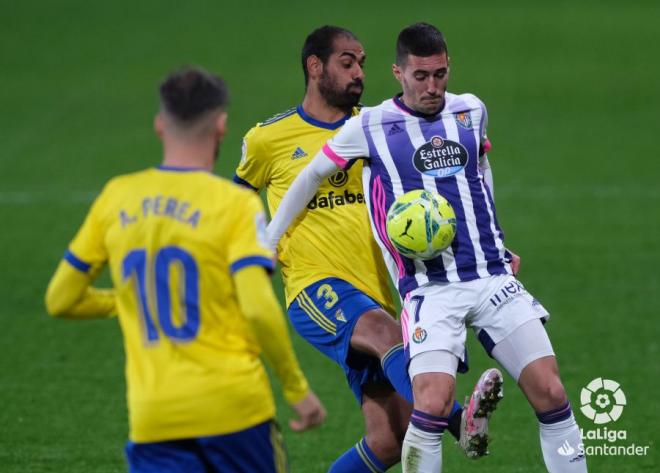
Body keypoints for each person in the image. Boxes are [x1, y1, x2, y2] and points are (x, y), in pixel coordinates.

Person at [266, 23, 588, 473]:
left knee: (552, 393)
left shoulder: (470, 111)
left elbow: (481, 166)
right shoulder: (371, 125)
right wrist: (270, 237)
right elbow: (310, 176)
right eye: (421, 76)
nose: (432, 87)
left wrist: (497, 235)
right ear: (398, 73)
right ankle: (460, 425)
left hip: (490, 276)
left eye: (439, 74)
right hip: (429, 290)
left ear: (448, 67)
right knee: (432, 406)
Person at [234, 26, 502, 472]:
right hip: (315, 287)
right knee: (386, 336)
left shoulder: (379, 127)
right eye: (347, 62)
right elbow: (236, 200)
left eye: (361, 62)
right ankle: (460, 421)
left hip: (379, 290)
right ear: (314, 66)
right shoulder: (268, 139)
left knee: (389, 441)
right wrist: (260, 244)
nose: (359, 72)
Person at [44, 66, 325, 473]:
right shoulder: (234, 204)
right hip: (235, 410)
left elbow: (60, 299)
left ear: (160, 125)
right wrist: (297, 388)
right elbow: (258, 308)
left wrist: (128, 300)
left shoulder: (116, 198)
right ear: (222, 125)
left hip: (153, 417)